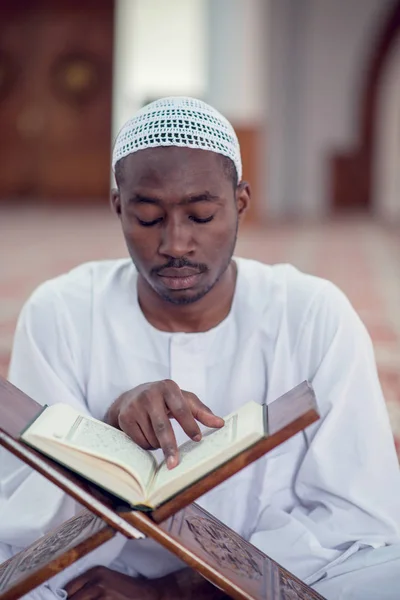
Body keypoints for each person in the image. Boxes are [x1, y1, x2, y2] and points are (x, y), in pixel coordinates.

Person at [1, 96, 400, 600]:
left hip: (265, 578)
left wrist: (179, 589)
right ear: (118, 207)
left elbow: (359, 513)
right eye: (148, 218)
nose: (176, 243)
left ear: (240, 203)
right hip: (96, 580)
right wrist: (106, 432)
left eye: (201, 214)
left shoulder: (312, 313)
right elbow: (24, 514)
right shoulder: (60, 310)